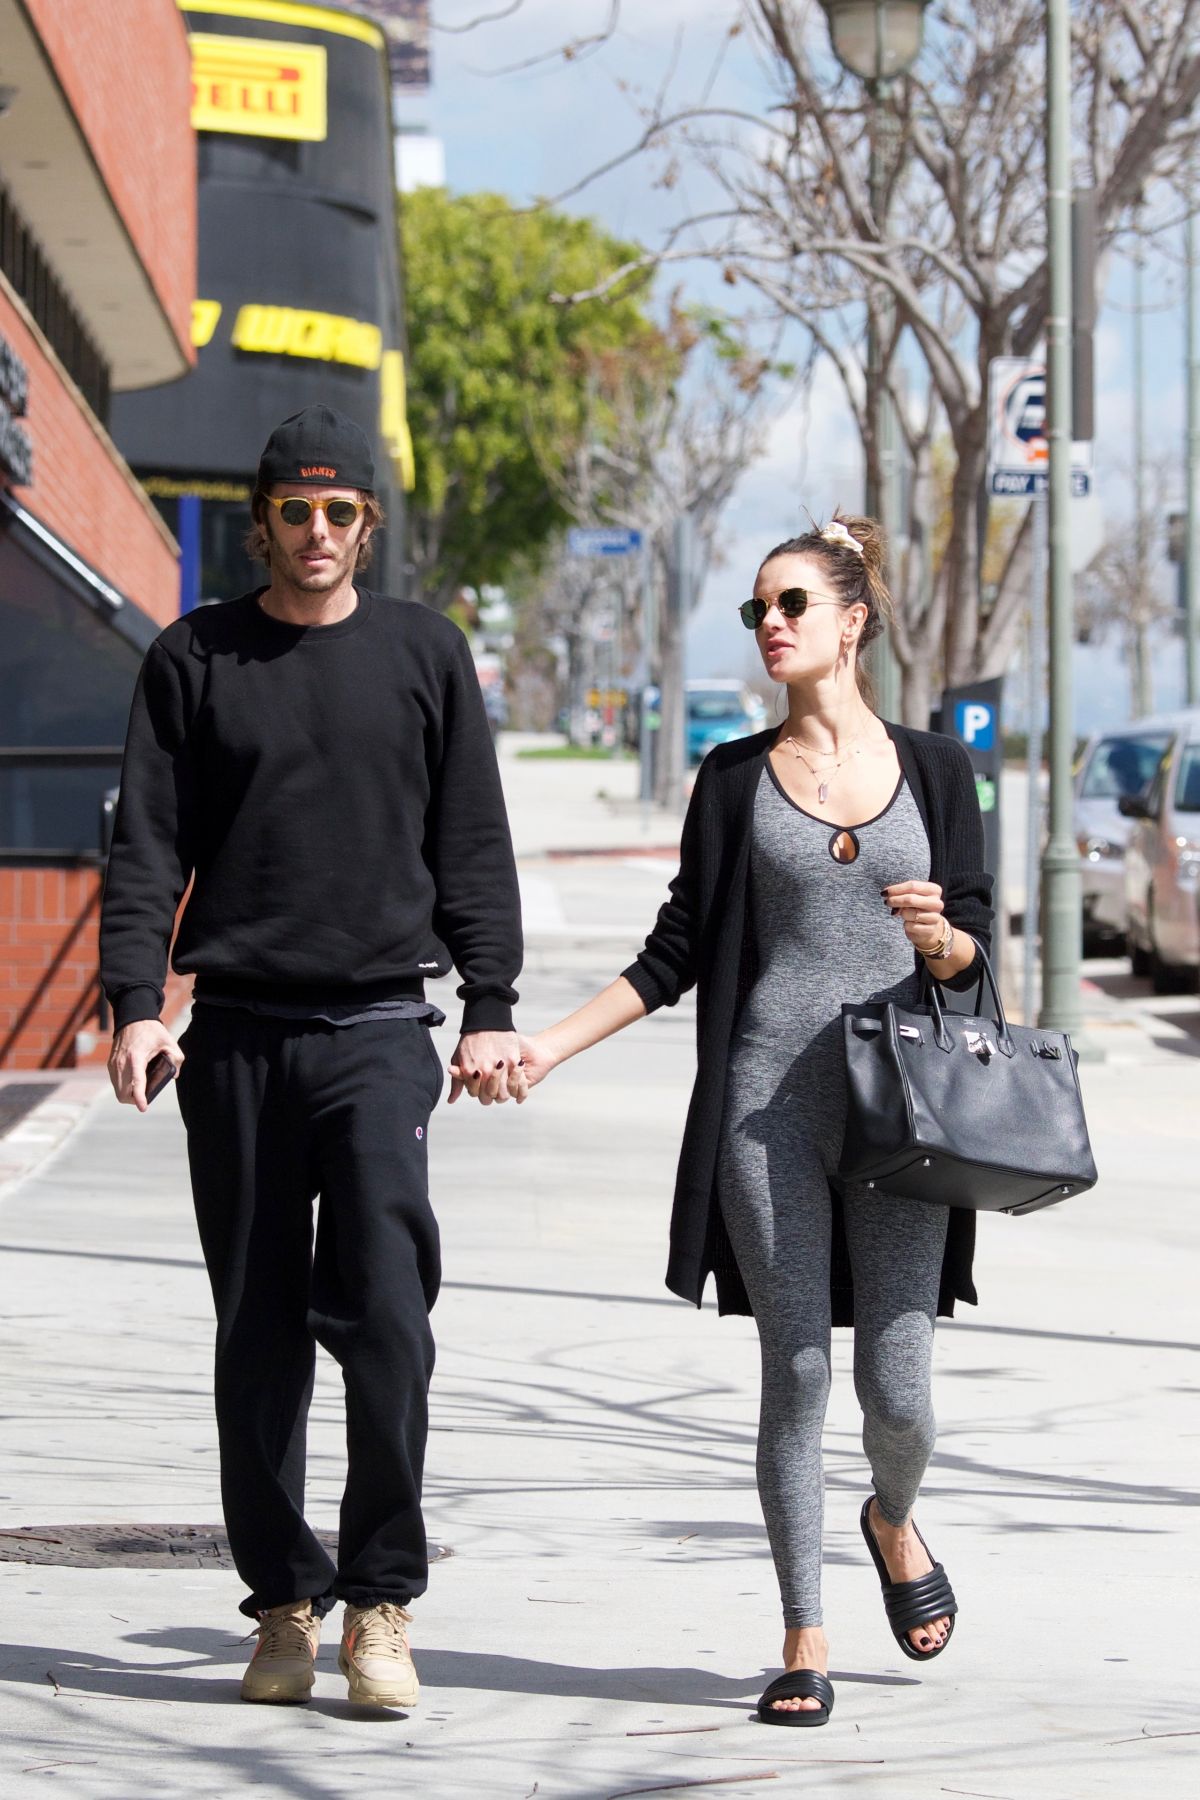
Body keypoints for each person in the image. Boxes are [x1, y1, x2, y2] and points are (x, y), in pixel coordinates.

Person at [513, 515, 992, 1728]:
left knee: (900, 1394)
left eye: (790, 605)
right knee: (794, 1371)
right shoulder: (732, 779)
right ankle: (804, 1636)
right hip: (765, 1108)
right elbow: (674, 952)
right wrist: (547, 1047)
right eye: (757, 611)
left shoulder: (937, 770)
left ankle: (892, 1517)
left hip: (903, 1116)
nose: (770, 625)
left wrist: (942, 941)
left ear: (852, 621)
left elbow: (978, 944)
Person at [99, 405, 526, 1708]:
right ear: (264, 521)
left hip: (381, 1033)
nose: (321, 533)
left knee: (388, 1318)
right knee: (259, 1330)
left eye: (342, 514)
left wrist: (493, 999)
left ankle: (381, 1601)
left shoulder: (424, 654)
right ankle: (285, 1600)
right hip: (231, 1040)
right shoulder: (194, 659)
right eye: (298, 511)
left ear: (369, 525)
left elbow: (472, 843)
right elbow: (146, 853)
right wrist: (133, 1004)